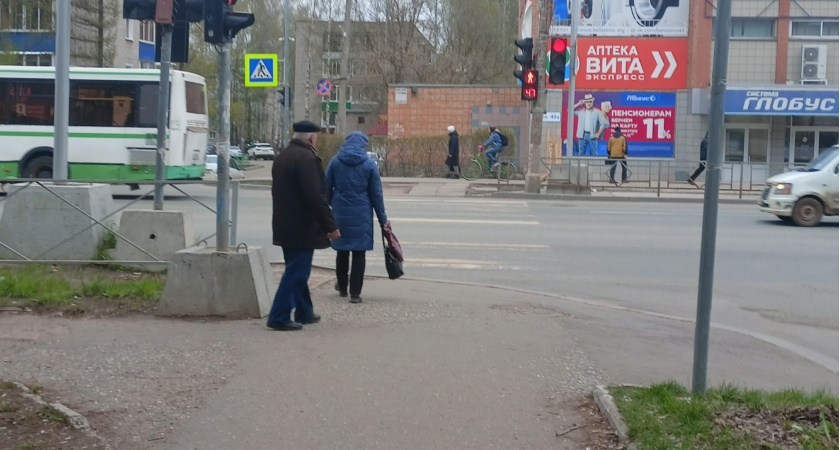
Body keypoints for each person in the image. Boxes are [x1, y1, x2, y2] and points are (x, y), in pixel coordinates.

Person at [267, 120, 340, 331]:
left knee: (297, 269)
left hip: (284, 223)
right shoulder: (307, 158)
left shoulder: (283, 156)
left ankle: (304, 311)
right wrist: (330, 226)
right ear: (312, 138)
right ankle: (279, 315)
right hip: (301, 225)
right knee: (297, 272)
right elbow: (315, 197)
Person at [325, 131, 389, 304]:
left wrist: (334, 204)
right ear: (363, 145)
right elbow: (376, 195)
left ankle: (343, 288)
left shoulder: (335, 162)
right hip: (362, 213)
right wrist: (383, 220)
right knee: (359, 254)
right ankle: (355, 294)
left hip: (340, 212)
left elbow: (326, 189)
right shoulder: (369, 165)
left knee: (342, 251)